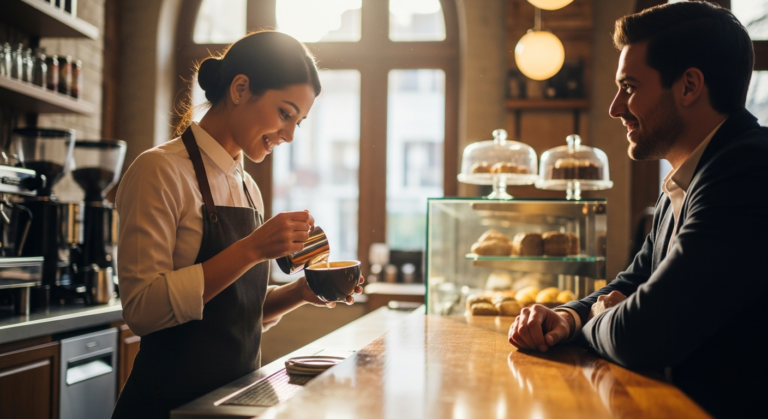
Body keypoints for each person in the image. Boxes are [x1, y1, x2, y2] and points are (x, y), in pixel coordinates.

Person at [507, 2, 768, 417]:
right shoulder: (691, 176)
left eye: (629, 86)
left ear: (688, 86)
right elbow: (635, 280)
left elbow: (645, 333)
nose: (616, 107)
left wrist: (601, 316)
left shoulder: (746, 171)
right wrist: (567, 319)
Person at [111, 31, 363, 419]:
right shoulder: (158, 171)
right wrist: (252, 248)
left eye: (299, 121)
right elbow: (142, 310)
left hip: (232, 405)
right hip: (166, 406)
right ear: (241, 89)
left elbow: (235, 314)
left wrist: (300, 292)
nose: (290, 134)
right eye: (285, 113)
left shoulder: (247, 187)